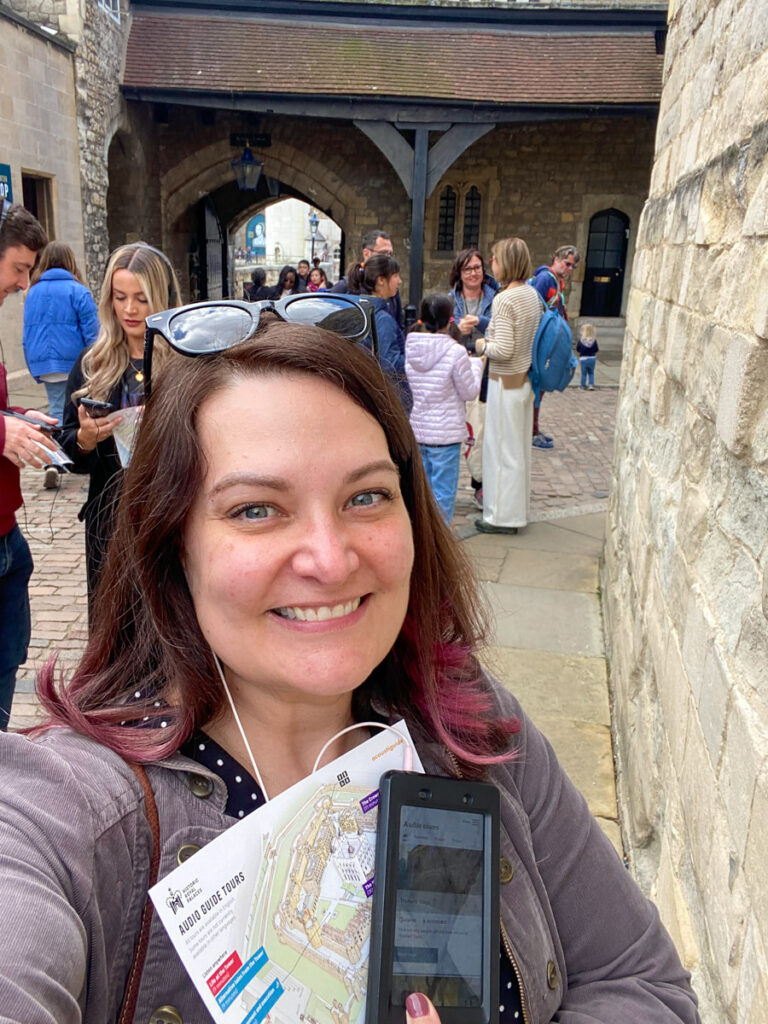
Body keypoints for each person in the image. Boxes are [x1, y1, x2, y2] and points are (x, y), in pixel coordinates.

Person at [0, 312, 700, 1023]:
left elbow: (640, 982)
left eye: (365, 497)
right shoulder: (65, 816)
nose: (331, 560)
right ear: (174, 544)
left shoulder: (474, 728)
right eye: (255, 510)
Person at [58, 241, 181, 609]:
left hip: (172, 513)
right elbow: (71, 452)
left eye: (142, 298)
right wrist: (84, 439)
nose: (129, 309)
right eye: (120, 296)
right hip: (110, 518)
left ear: (161, 298)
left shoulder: (185, 360)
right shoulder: (92, 362)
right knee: (115, 629)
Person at [0, 200, 56, 731]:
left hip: (6, 529)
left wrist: (19, 414)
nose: (22, 284)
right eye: (18, 268)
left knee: (9, 655)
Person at [474, 238, 542, 535]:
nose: (492, 262)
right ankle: (515, 512)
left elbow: (503, 348)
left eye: (495, 258)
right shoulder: (532, 294)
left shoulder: (505, 299)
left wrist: (479, 343)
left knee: (500, 453)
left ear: (507, 262)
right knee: (517, 452)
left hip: (504, 382)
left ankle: (501, 517)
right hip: (524, 382)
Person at [22, 241, 99, 489]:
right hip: (74, 359)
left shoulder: (31, 292)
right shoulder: (78, 291)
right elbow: (92, 332)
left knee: (56, 410)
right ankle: (63, 458)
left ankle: (55, 459)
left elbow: (26, 333)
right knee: (76, 412)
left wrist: (32, 362)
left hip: (44, 360)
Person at [405, 294, 483, 523]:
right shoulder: (455, 351)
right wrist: (476, 365)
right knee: (443, 495)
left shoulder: (412, 346)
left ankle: (424, 541)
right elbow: (469, 391)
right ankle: (439, 549)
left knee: (423, 494)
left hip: (419, 430)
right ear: (450, 320)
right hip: (445, 433)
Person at [449, 248, 500, 508]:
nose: (473, 273)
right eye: (467, 269)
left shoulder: (495, 296)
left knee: (480, 425)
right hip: (459, 364)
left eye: (477, 268)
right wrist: (456, 329)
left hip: (486, 364)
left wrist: (480, 320)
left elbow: (501, 323)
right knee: (456, 423)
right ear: (459, 272)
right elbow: (442, 331)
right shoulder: (450, 299)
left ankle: (480, 482)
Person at [529, 244, 580, 450]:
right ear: (557, 259)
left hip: (548, 341)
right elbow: (533, 308)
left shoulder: (557, 283)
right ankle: (531, 432)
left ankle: (534, 428)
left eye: (572, 266)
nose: (569, 269)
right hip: (540, 343)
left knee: (540, 389)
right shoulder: (545, 279)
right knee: (536, 387)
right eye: (567, 264)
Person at [348, 253, 412, 412]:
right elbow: (389, 363)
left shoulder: (358, 312)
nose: (399, 281)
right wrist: (416, 358)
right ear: (381, 280)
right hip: (390, 400)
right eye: (396, 276)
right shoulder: (383, 319)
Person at [332, 229, 403, 326]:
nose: (388, 258)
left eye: (390, 254)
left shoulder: (391, 287)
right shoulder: (347, 285)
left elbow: (398, 323)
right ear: (366, 254)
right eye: (383, 253)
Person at [577, 321, 599, 389]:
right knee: (591, 373)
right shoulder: (594, 341)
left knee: (583, 373)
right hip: (592, 358)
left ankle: (582, 385)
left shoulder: (581, 340)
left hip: (583, 359)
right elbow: (596, 349)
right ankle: (591, 385)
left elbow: (578, 349)